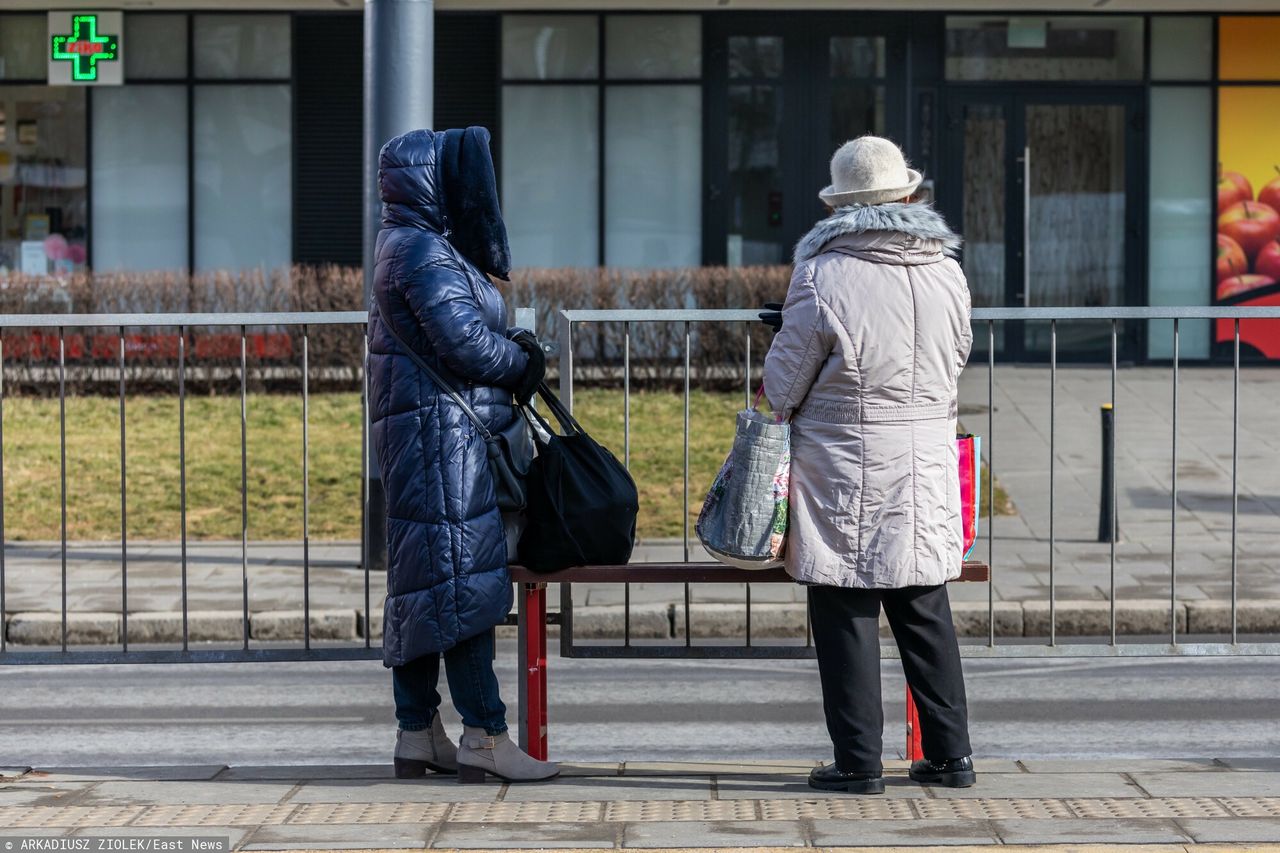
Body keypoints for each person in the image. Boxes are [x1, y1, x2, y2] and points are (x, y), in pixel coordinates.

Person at [761, 135, 976, 795]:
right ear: (906, 195)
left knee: (845, 603)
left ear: (840, 205)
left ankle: (858, 762)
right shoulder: (946, 268)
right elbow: (958, 353)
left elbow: (782, 384)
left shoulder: (824, 272)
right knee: (923, 602)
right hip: (924, 459)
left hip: (845, 463)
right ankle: (951, 756)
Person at [367, 127, 557, 784]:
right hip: (442, 438)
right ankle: (484, 732)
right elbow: (468, 344)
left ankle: (417, 731)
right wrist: (523, 359)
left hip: (430, 432)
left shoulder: (416, 245)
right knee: (461, 581)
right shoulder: (422, 250)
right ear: (430, 180)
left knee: (428, 583)